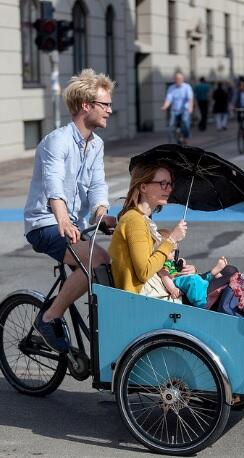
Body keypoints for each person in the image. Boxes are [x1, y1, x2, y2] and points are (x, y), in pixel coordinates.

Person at [24, 68, 116, 353]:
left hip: (73, 224)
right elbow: (54, 186)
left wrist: (101, 215)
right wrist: (62, 219)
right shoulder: (57, 141)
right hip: (44, 224)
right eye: (105, 105)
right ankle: (49, 319)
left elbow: (98, 185)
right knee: (97, 259)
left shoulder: (96, 144)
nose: (110, 110)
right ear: (85, 106)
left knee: (108, 267)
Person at [108, 163, 197, 295]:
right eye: (162, 183)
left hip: (154, 294)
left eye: (169, 184)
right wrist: (171, 239)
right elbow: (144, 272)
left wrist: (182, 270)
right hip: (145, 299)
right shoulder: (134, 221)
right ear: (143, 187)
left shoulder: (142, 219)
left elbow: (158, 266)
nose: (169, 189)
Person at [158, 233, 228, 307]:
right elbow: (165, 277)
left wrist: (182, 263)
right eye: (171, 251)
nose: (173, 253)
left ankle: (211, 276)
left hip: (183, 279)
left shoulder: (171, 261)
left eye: (175, 251)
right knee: (193, 280)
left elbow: (181, 266)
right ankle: (201, 303)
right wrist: (173, 289)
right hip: (176, 282)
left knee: (197, 278)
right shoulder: (161, 266)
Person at [161, 72, 194, 144]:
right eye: (176, 79)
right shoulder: (171, 88)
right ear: (174, 79)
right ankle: (173, 142)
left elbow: (190, 99)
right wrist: (164, 106)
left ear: (183, 79)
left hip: (184, 109)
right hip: (175, 110)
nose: (178, 80)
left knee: (185, 122)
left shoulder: (187, 87)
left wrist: (190, 107)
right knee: (171, 126)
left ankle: (185, 137)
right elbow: (168, 99)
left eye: (179, 78)